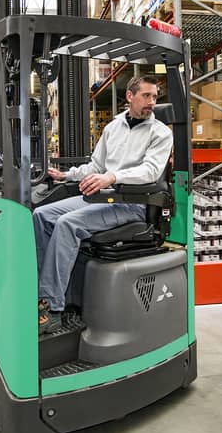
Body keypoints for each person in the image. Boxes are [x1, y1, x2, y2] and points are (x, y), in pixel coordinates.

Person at [34, 75, 173, 334]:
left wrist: (113, 176)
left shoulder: (160, 133)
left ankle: (52, 308)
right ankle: (41, 294)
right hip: (104, 198)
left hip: (132, 203)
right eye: (146, 96)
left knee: (67, 224)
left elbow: (151, 171)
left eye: (155, 97)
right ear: (130, 97)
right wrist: (68, 175)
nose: (152, 102)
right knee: (41, 215)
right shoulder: (113, 127)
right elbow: (95, 167)